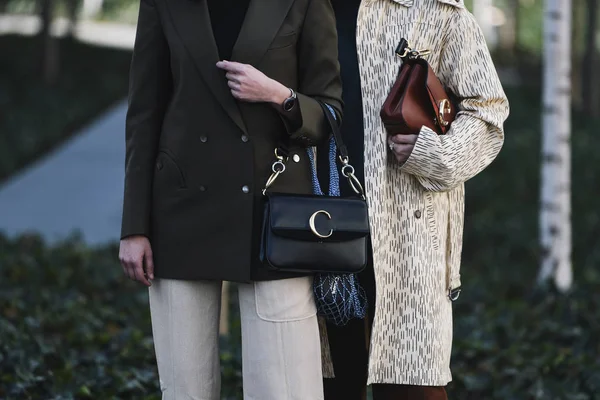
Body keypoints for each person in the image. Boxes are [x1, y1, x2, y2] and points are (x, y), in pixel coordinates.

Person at [117, 0, 342, 399]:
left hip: (276, 215)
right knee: (186, 387)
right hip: (182, 209)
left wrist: (279, 96)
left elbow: (329, 112)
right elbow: (143, 115)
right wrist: (134, 226)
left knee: (285, 387)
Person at [321, 0, 510, 399]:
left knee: (411, 387)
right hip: (317, 234)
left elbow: (488, 111)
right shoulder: (299, 8)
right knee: (327, 383)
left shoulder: (436, 10)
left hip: (409, 237)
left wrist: (433, 154)